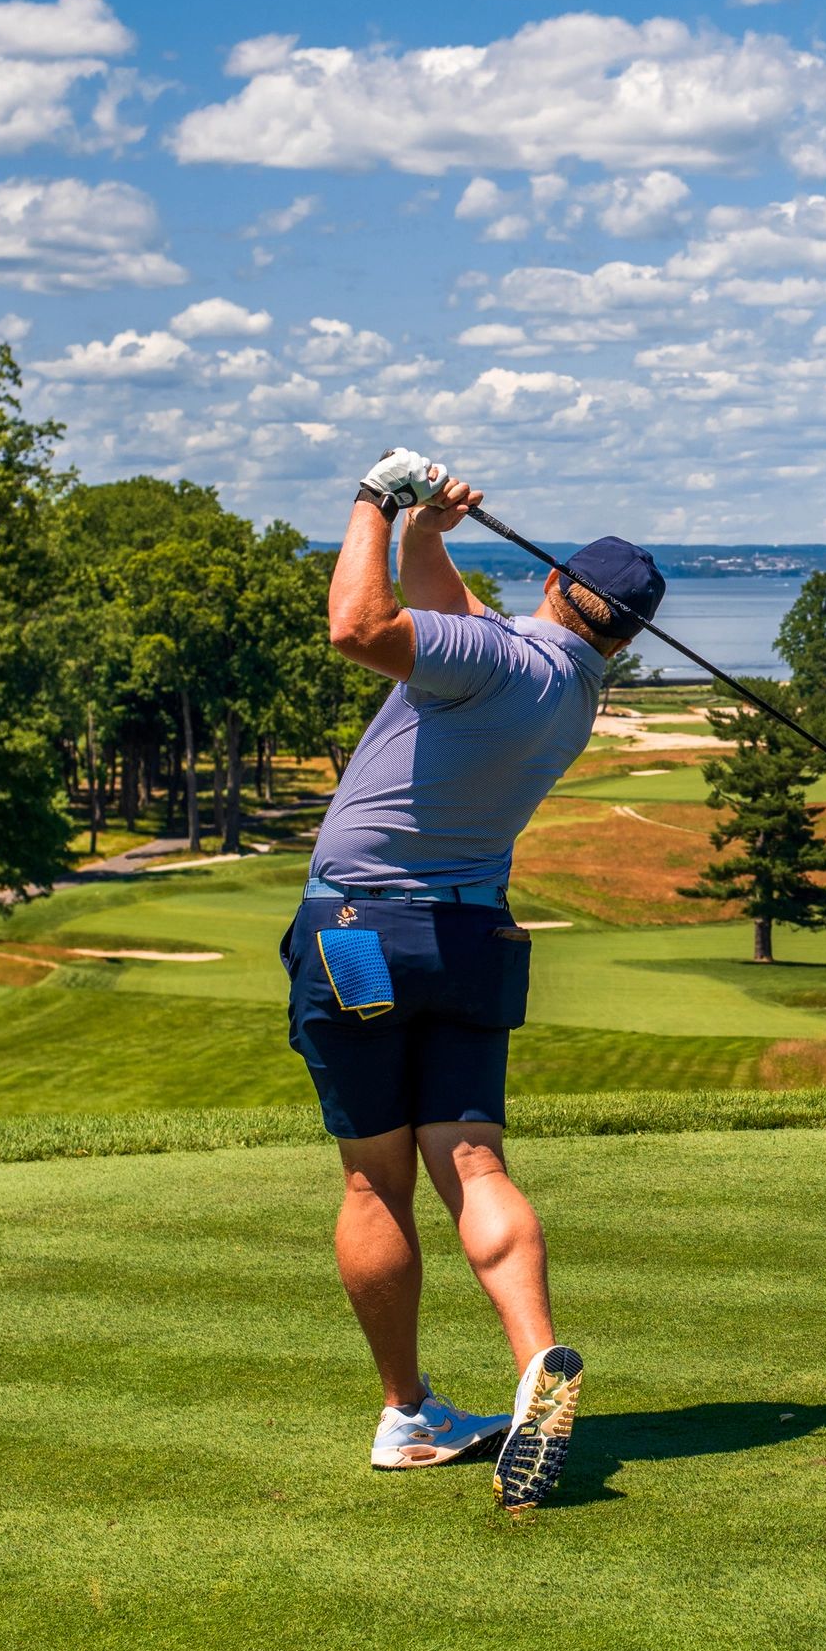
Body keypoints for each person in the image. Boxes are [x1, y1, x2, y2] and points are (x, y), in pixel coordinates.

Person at [282, 447, 664, 1510]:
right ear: (623, 636)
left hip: (355, 932)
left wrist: (371, 499)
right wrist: (424, 533)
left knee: (373, 1176)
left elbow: (362, 628)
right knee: (475, 1167)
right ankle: (535, 1357)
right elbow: (447, 621)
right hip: (467, 944)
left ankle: (407, 1412)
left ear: (550, 584)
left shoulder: (495, 658)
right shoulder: (566, 686)